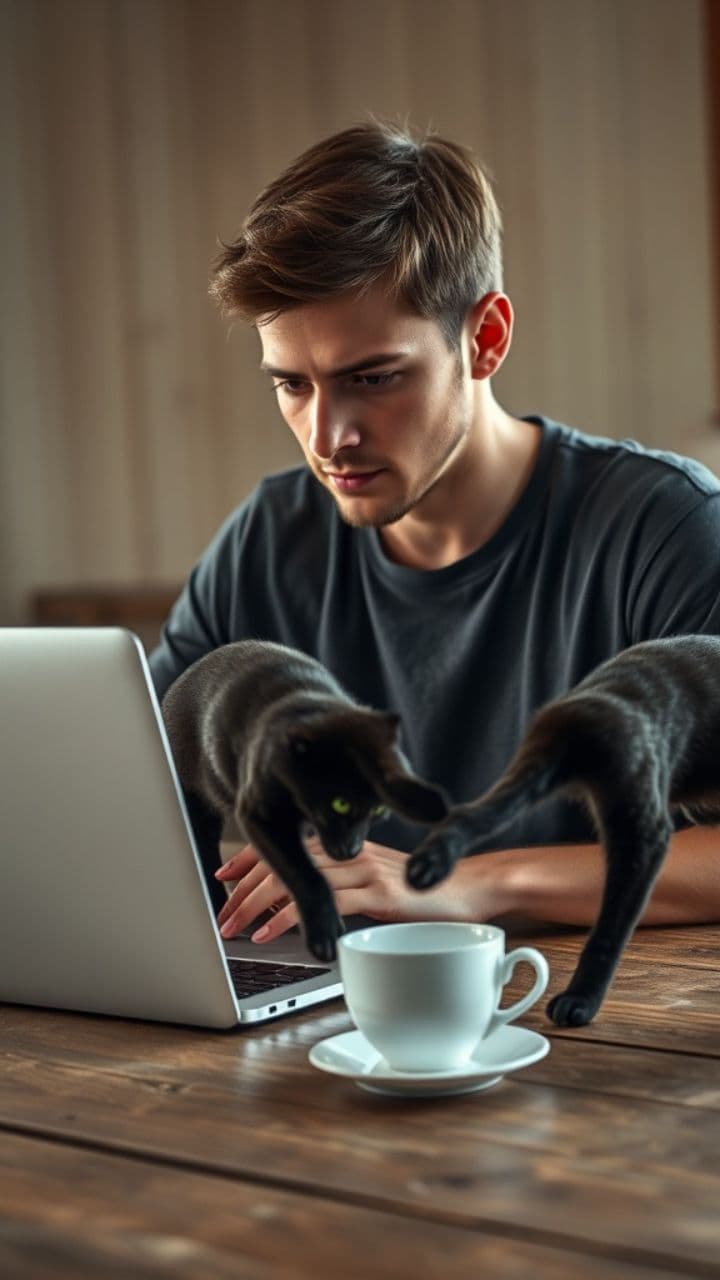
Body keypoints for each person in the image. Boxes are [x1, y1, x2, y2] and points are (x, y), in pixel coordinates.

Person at [150, 120, 720, 945]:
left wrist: (460, 881)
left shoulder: (664, 528)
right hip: (340, 1019)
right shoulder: (269, 540)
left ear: (484, 338)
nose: (327, 435)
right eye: (292, 385)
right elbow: (143, 797)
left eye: (373, 378)